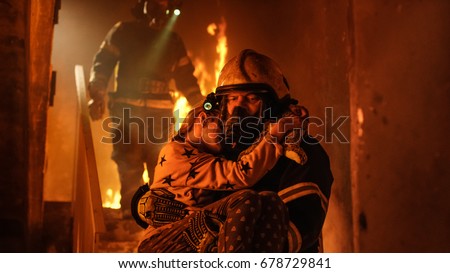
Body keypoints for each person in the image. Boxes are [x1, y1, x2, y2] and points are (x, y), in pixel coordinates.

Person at [135, 93, 305, 252]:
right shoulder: (175, 152)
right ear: (203, 118)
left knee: (270, 200)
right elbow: (241, 175)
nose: (225, 134)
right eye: (221, 125)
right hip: (162, 243)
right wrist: (276, 133)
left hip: (192, 237)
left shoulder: (207, 155)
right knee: (245, 199)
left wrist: (284, 112)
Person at [87, 0, 204, 217]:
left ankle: (156, 218)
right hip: (127, 113)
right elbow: (102, 63)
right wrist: (97, 93)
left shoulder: (173, 40)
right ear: (141, 4)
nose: (158, 8)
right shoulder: (124, 31)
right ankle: (132, 217)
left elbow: (186, 78)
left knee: (160, 168)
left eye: (163, 3)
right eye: (153, 2)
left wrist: (202, 104)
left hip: (159, 116)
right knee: (129, 166)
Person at [214, 49, 334, 252]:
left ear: (274, 105)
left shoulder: (301, 152)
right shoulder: (220, 149)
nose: (237, 109)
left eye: (251, 99)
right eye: (232, 99)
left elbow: (292, 232)